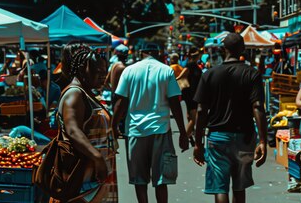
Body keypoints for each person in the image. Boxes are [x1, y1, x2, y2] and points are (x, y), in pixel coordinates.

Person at [192, 33, 267, 203]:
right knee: (239, 187)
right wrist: (262, 140)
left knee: (220, 187)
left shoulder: (210, 74)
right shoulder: (252, 74)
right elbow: (257, 107)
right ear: (242, 49)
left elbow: (202, 110)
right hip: (244, 137)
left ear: (223, 49)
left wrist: (197, 143)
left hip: (218, 137)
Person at [113, 46, 189, 203]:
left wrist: (113, 126)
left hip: (135, 131)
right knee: (161, 179)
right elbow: (175, 102)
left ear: (141, 53)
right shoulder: (166, 71)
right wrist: (183, 132)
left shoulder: (129, 70)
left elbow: (121, 102)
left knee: (139, 180)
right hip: (160, 130)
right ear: (159, 53)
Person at [54, 43, 117, 203]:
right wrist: (97, 157)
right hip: (83, 177)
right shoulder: (74, 93)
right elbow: (73, 130)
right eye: (98, 72)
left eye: (105, 72)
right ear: (82, 70)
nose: (104, 76)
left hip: (94, 178)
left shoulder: (86, 93)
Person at [181, 48, 203, 144]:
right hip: (191, 94)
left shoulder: (194, 65)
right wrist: (175, 80)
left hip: (191, 94)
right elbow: (182, 74)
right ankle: (184, 137)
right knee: (193, 120)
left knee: (190, 116)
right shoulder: (190, 65)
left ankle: (189, 135)